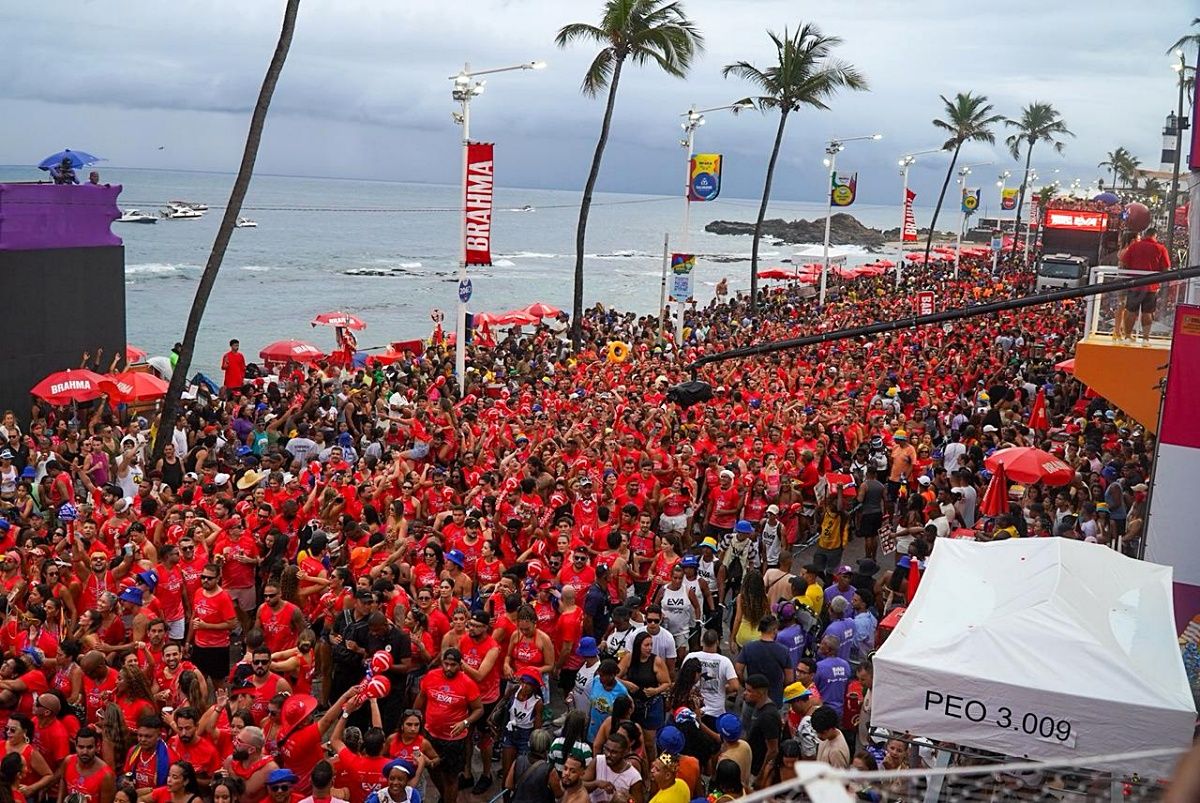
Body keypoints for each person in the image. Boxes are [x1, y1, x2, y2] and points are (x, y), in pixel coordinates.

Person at [413, 648, 482, 803]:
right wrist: (413, 719)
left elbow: (478, 709)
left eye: (453, 665)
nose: (449, 668)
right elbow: (421, 698)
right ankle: (445, 796)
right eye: (446, 664)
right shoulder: (431, 676)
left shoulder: (468, 683)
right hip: (431, 734)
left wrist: (465, 723)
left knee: (451, 777)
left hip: (454, 740)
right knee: (432, 769)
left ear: (460, 665)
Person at [733, 615, 792, 706]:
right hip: (774, 699)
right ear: (775, 630)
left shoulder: (748, 647)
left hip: (752, 698)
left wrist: (745, 684)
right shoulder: (783, 650)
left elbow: (738, 670)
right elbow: (789, 678)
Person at [741, 675, 781, 789]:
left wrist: (761, 776)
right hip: (752, 766)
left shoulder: (768, 716)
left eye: (749, 691)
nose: (744, 693)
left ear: (760, 693)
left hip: (758, 771)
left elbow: (773, 750)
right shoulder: (758, 708)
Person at [582, 731, 643, 803]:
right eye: (606, 749)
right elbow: (580, 786)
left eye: (614, 752)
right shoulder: (598, 761)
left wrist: (627, 799)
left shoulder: (634, 777)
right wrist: (596, 784)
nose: (608, 754)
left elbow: (637, 801)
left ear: (624, 753)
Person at [60, 727, 116, 803]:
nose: (85, 752)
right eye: (81, 747)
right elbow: (63, 783)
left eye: (89, 747)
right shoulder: (68, 761)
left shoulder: (106, 776)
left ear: (97, 747)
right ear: (75, 746)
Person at [503, 729, 552, 803]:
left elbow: (508, 785)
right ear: (547, 746)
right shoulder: (548, 769)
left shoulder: (519, 760)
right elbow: (559, 793)